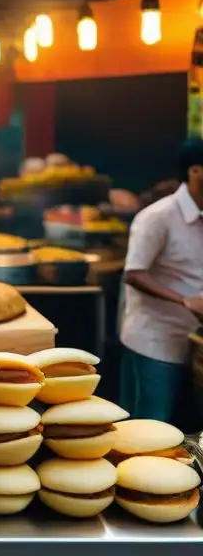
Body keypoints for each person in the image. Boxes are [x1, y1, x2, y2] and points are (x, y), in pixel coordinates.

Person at [120, 140, 203, 423]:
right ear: (195, 171)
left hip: (192, 344)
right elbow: (133, 273)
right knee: (151, 428)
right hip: (155, 342)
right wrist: (184, 299)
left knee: (181, 431)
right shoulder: (158, 217)